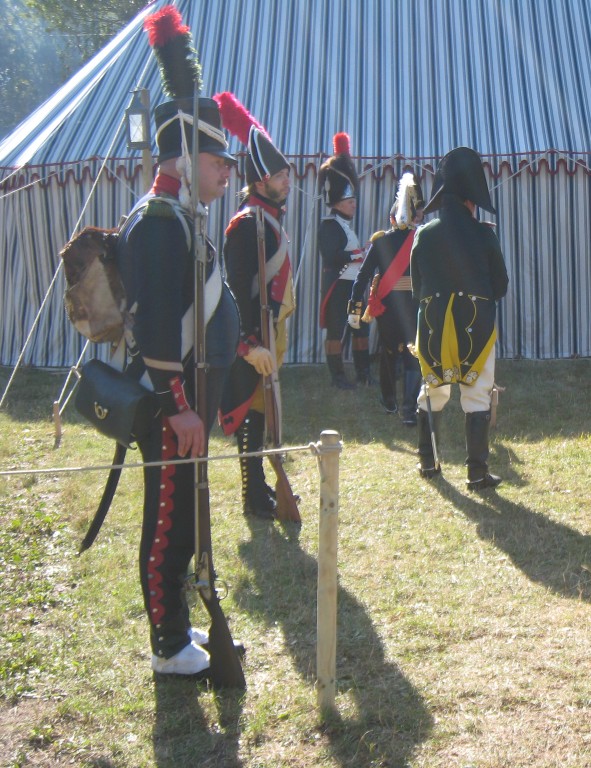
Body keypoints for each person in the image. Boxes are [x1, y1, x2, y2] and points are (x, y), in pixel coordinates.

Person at [117, 7, 240, 676]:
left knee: (185, 515)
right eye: (219, 158)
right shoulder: (160, 222)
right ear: (185, 153)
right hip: (172, 402)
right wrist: (180, 404)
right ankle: (168, 646)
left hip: (186, 398)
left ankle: (181, 629)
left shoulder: (181, 217)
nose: (227, 172)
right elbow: (159, 328)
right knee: (167, 519)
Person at [214, 93, 295, 518]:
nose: (286, 181)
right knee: (249, 413)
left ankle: (260, 487)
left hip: (270, 331)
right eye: (280, 175)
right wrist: (247, 343)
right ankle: (251, 494)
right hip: (252, 335)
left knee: (263, 416)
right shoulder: (246, 224)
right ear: (261, 180)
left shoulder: (269, 219)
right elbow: (235, 288)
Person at [411, 147, 509, 490]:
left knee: (432, 393)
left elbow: (417, 288)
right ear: (471, 199)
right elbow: (501, 285)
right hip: (476, 326)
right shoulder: (484, 234)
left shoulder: (423, 234)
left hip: (434, 325)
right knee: (477, 395)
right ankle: (477, 473)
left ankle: (428, 463)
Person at [348, 171, 425, 426]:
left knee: (390, 354)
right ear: (414, 213)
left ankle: (391, 401)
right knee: (414, 355)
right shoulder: (422, 241)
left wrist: (354, 308)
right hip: (414, 305)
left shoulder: (381, 242)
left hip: (388, 308)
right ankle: (409, 411)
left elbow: (362, 277)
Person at [317, 132, 369, 389]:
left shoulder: (346, 226)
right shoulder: (328, 226)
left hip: (353, 286)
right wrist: (358, 254)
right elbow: (332, 256)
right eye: (350, 201)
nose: (354, 205)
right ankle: (338, 377)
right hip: (338, 286)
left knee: (360, 329)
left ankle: (363, 373)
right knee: (336, 331)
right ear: (339, 202)